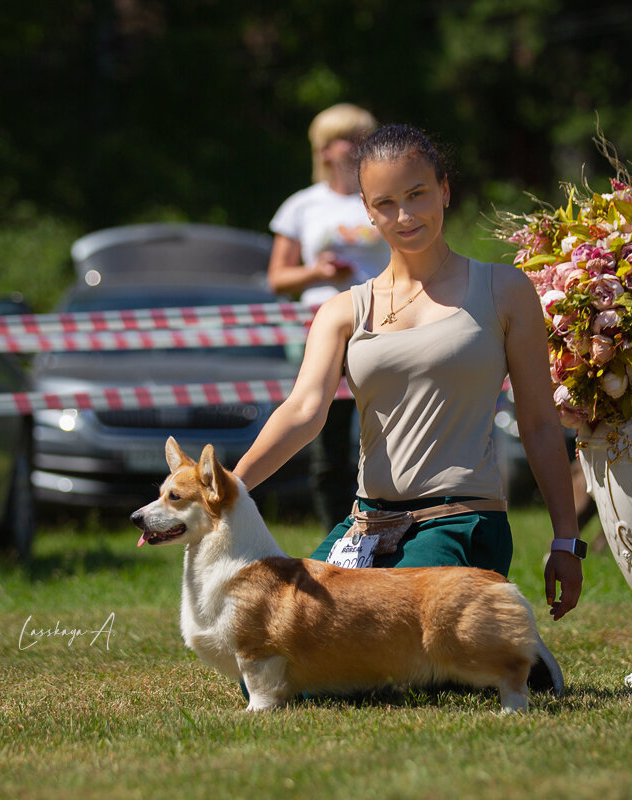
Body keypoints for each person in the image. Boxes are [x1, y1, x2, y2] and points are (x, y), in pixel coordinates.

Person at [234, 124, 583, 634]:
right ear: (367, 210)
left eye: (417, 194)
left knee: (387, 645)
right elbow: (303, 412)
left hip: (461, 522)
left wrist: (565, 541)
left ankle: (516, 658)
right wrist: (229, 487)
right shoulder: (341, 311)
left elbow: (539, 424)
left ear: (444, 189)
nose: (405, 215)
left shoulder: (504, 289)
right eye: (386, 203)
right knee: (279, 647)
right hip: (367, 526)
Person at [267, 104, 391, 530]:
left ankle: (390, 529)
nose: (360, 147)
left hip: (386, 322)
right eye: (349, 139)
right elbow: (278, 278)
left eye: (365, 137)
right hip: (321, 329)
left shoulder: (385, 194)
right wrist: (317, 272)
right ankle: (334, 538)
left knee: (390, 433)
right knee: (326, 437)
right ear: (323, 150)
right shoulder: (302, 205)